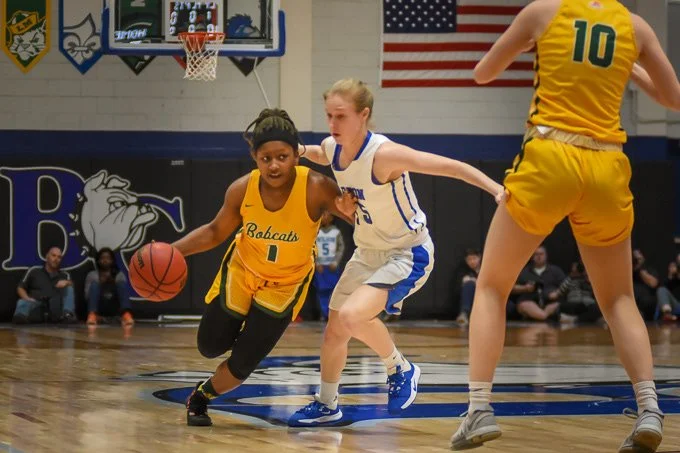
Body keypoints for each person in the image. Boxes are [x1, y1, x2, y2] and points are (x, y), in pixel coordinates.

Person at [450, 0, 680, 451]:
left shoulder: (543, 12)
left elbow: (482, 73)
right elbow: (673, 98)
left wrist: (531, 45)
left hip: (551, 157)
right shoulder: (635, 26)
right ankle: (650, 407)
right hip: (607, 166)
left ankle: (478, 409)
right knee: (618, 298)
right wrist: (630, 69)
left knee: (491, 286)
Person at [288, 78, 504, 426]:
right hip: (367, 252)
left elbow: (451, 167)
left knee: (352, 316)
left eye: (341, 116)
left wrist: (496, 190)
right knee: (335, 330)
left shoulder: (385, 155)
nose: (332, 123)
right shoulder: (334, 147)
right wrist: (298, 150)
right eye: (329, 115)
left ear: (363, 115)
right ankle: (327, 404)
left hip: (406, 253)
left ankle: (400, 367)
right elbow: (319, 152)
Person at [171, 108, 354, 427]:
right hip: (243, 271)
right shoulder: (242, 189)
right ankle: (239, 328)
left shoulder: (316, 187)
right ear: (254, 157)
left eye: (282, 157)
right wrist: (171, 252)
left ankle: (201, 396)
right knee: (209, 346)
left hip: (287, 283)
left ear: (295, 155)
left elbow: (359, 219)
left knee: (243, 364)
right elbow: (214, 231)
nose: (274, 165)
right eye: (265, 158)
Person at [13, 246, 76, 324]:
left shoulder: (65, 275)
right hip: (36, 304)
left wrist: (67, 282)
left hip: (55, 307)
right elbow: (20, 287)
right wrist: (27, 298)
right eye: (53, 255)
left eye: (59, 257)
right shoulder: (34, 270)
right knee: (22, 301)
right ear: (47, 256)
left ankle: (68, 315)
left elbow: (71, 286)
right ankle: (20, 317)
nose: (56, 259)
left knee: (69, 288)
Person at [85, 247, 134, 326]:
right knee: (94, 285)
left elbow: (125, 296)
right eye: (102, 258)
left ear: (112, 260)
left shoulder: (119, 274)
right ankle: (92, 315)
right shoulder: (92, 275)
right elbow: (87, 296)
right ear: (98, 260)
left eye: (108, 258)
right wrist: (100, 283)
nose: (105, 260)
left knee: (121, 284)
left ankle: (126, 315)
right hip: (99, 306)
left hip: (113, 306)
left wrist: (112, 282)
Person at [314, 211, 345, 321]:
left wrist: (335, 262)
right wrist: (317, 263)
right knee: (322, 291)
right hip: (320, 267)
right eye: (322, 215)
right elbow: (312, 248)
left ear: (331, 217)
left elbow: (340, 248)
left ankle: (333, 314)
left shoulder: (336, 232)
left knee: (334, 291)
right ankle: (324, 314)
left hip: (332, 267)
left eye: (325, 215)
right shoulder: (316, 231)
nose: (323, 217)